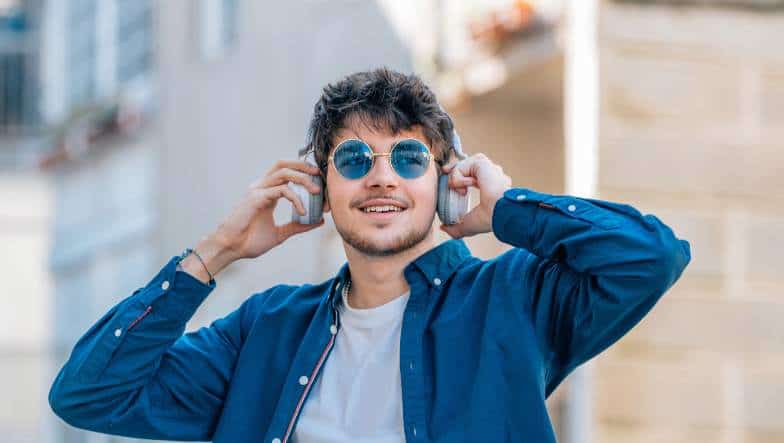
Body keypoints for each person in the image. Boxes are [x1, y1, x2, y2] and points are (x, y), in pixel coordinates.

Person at [48, 67, 691, 443]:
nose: (381, 179)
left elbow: (651, 256)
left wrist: (509, 210)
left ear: (442, 182)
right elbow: (89, 394)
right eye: (354, 160)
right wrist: (218, 251)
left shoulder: (513, 300)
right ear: (319, 190)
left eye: (409, 159)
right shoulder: (264, 330)